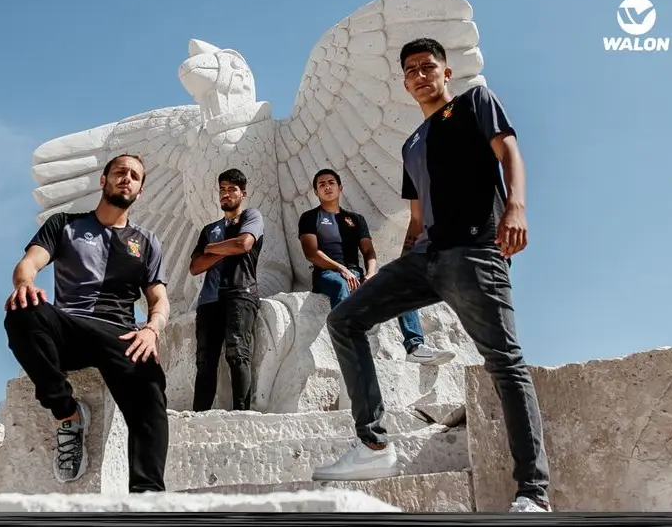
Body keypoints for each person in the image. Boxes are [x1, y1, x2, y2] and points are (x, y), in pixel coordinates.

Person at [311, 38, 552, 513]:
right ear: (405, 83)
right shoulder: (411, 143)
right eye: (411, 70)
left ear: (446, 73)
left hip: (475, 248)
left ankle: (533, 492)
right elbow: (417, 218)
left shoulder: (475, 103)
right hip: (425, 258)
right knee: (345, 321)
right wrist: (399, 268)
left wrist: (517, 206)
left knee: (504, 362)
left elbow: (510, 154)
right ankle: (374, 445)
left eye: (428, 66)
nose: (420, 75)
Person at [2, 154, 170, 492]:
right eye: (120, 171)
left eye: (135, 176)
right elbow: (28, 264)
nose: (127, 178)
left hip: (120, 334)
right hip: (70, 328)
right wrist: (24, 286)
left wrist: (152, 330)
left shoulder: (146, 242)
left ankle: (147, 497)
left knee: (150, 388)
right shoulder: (64, 224)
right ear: (103, 180)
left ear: (139, 191)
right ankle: (68, 415)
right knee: (22, 311)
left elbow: (159, 300)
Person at [298, 168, 454, 365]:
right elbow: (311, 252)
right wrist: (341, 269)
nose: (327, 187)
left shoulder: (355, 219)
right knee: (340, 285)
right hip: (327, 274)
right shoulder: (310, 217)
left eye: (331, 182)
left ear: (340, 187)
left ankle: (415, 346)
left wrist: (371, 274)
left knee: (400, 286)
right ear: (316, 192)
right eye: (321, 185)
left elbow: (368, 252)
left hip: (357, 274)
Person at [188, 168, 265, 411]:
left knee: (237, 353)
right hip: (209, 300)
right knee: (204, 361)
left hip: (240, 293)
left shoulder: (251, 217)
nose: (226, 193)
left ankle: (242, 414)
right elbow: (195, 267)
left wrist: (211, 249)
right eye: (222, 189)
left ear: (243, 193)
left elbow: (244, 243)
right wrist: (222, 249)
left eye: (232, 189)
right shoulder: (209, 229)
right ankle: (199, 415)